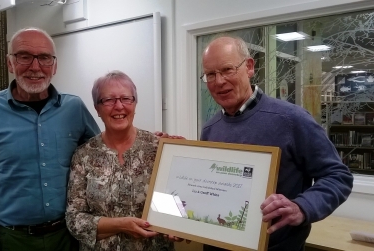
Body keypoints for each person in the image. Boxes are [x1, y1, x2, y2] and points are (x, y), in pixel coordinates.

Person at [200, 36, 353, 251]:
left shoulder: (292, 120)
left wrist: (302, 207)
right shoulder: (210, 128)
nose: (219, 81)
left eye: (227, 70)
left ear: (249, 67)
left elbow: (338, 176)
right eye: (210, 75)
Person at [0, 27, 100, 251]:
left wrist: (155, 145)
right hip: (16, 241)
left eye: (44, 58)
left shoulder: (74, 109)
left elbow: (106, 156)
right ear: (10, 63)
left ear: (54, 66)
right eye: (24, 56)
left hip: (68, 237)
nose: (35, 67)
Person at [66, 71, 176, 251]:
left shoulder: (160, 149)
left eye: (126, 99)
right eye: (108, 100)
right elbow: (74, 220)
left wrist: (176, 223)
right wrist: (120, 225)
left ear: (135, 104)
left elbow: (174, 201)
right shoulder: (83, 155)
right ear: (97, 108)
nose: (119, 106)